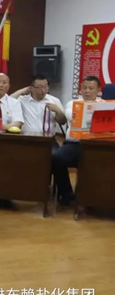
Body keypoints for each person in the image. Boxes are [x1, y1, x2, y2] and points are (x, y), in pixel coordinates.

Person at [52, 76, 101, 205]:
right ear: (80, 89)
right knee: (56, 158)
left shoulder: (104, 104)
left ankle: (96, 196)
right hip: (74, 145)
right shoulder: (73, 103)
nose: (87, 91)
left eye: (91, 88)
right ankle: (66, 193)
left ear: (98, 90)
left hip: (96, 146)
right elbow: (71, 115)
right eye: (84, 88)